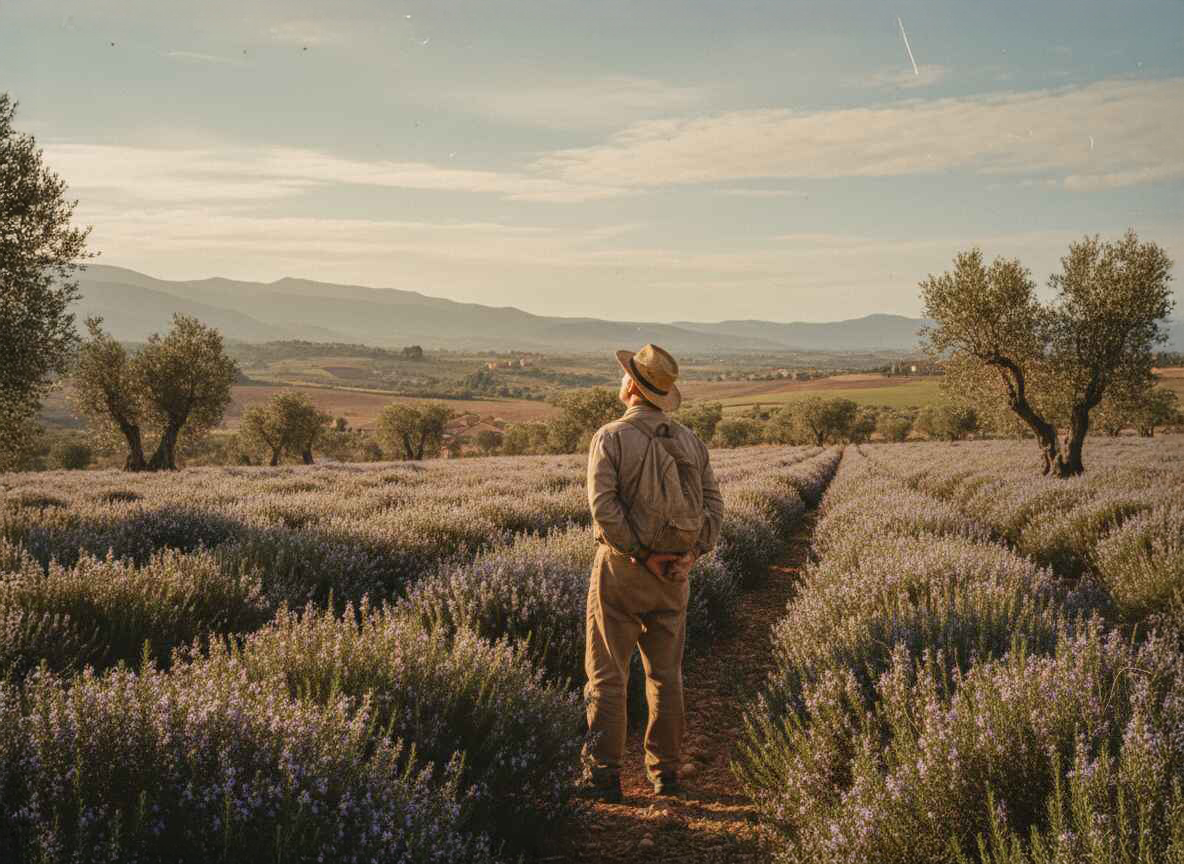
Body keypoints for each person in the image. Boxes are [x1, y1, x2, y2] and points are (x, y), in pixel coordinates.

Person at [580, 343, 724, 803]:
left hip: (624, 571)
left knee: (607, 675)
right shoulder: (689, 439)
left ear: (631, 386)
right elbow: (714, 504)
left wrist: (641, 554)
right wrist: (691, 555)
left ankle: (603, 775)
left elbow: (604, 509)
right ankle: (666, 775)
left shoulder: (611, 436)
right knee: (666, 675)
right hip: (675, 575)